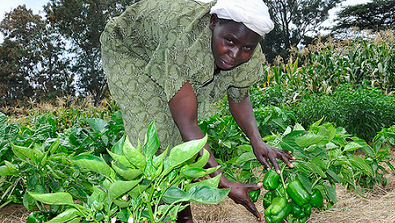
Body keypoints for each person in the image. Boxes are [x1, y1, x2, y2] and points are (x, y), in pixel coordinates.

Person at [100, 0, 295, 221]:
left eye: (246, 48)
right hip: (130, 50)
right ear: (213, 22)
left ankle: (181, 214)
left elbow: (240, 97)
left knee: (180, 140)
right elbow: (188, 124)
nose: (235, 53)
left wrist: (256, 140)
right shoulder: (183, 43)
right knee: (157, 141)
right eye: (229, 41)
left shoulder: (246, 45)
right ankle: (161, 214)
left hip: (173, 48)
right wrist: (223, 183)